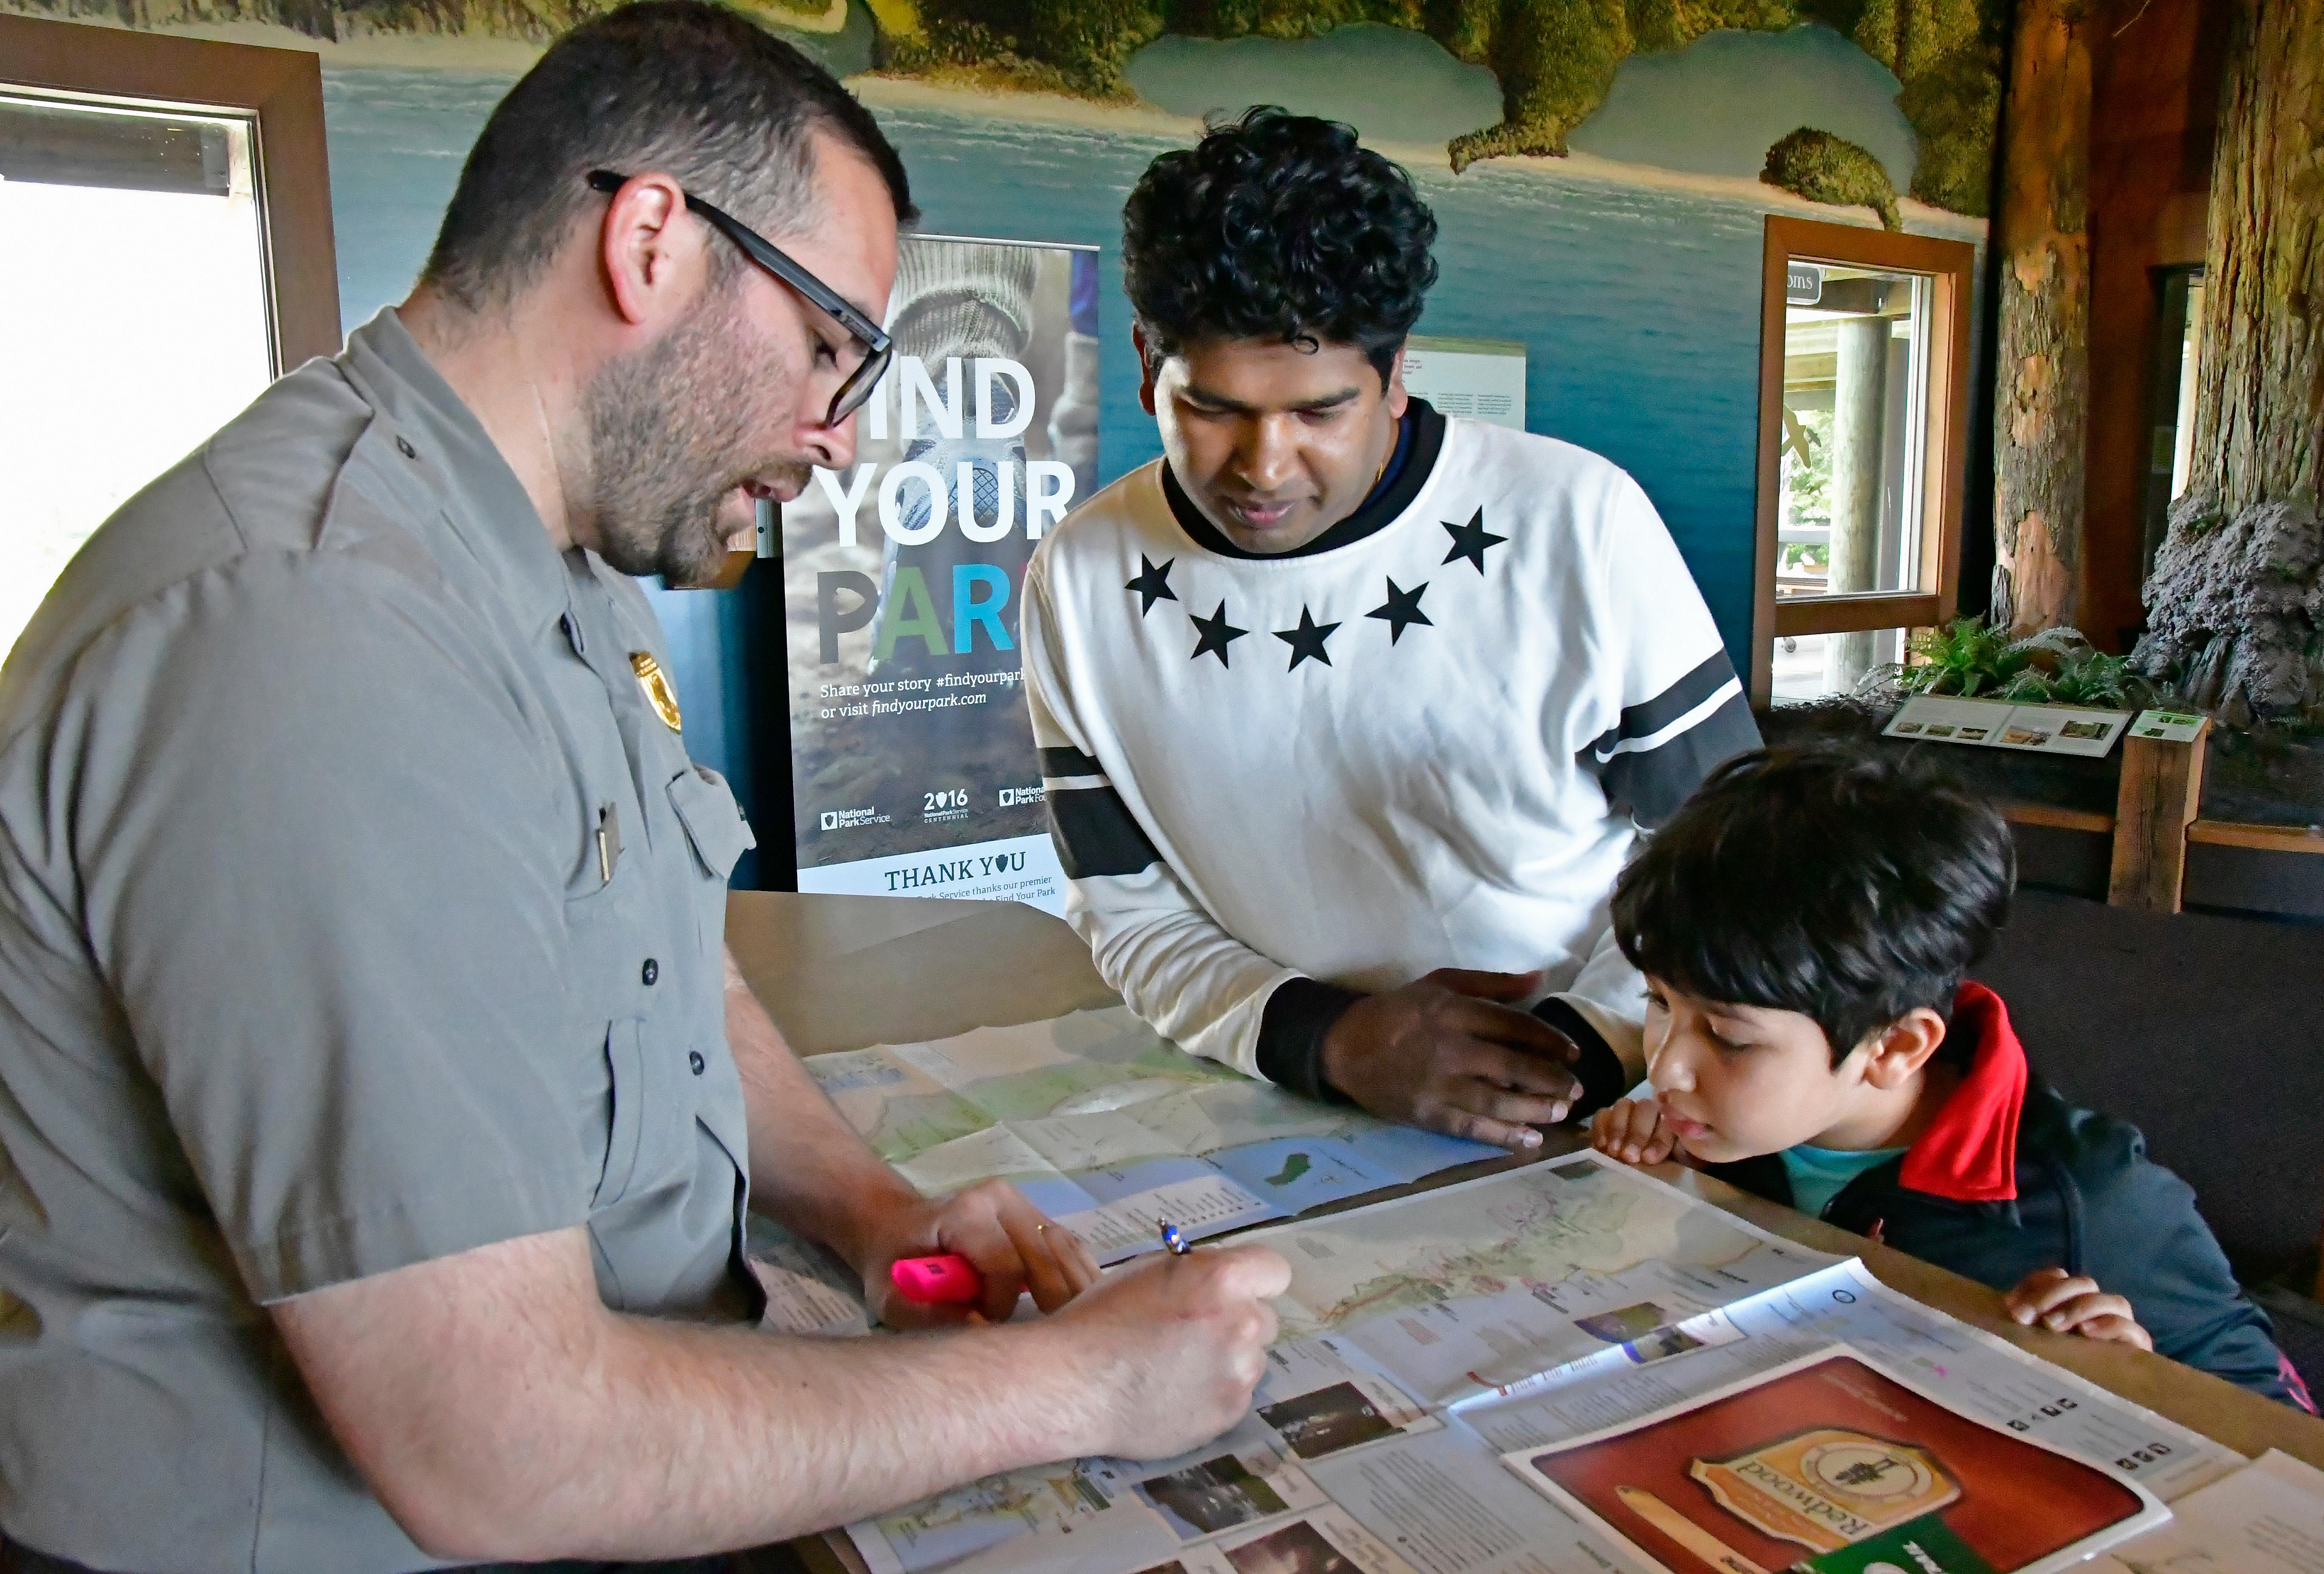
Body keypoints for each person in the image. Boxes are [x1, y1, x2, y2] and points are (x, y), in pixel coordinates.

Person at [0, 8, 1288, 1571]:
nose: (841, 434)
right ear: (654, 241)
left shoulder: (524, 544)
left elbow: (653, 948)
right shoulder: (318, 637)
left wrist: (871, 1210)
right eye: (830, 345)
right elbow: (503, 1450)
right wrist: (1078, 1382)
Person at [1021, 109, 1760, 1150]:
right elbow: (1124, 907)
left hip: (1587, 1110)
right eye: (1213, 409)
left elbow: (1736, 861)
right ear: (1147, 364)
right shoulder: (1080, 575)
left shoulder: (1574, 520)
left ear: (1397, 370)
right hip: (1273, 1102)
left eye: (1319, 412)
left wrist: (1577, 1050)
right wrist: (1334, 1043)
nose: (1263, 466)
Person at [1587, 745, 2313, 1411]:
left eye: (1725, 1037)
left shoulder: (2088, 1202)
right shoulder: (1735, 1123)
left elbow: (2280, 1425)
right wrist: (1673, 1167)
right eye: (1657, 1002)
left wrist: (2137, 1384)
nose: (1666, 1066)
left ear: (1896, 1047)